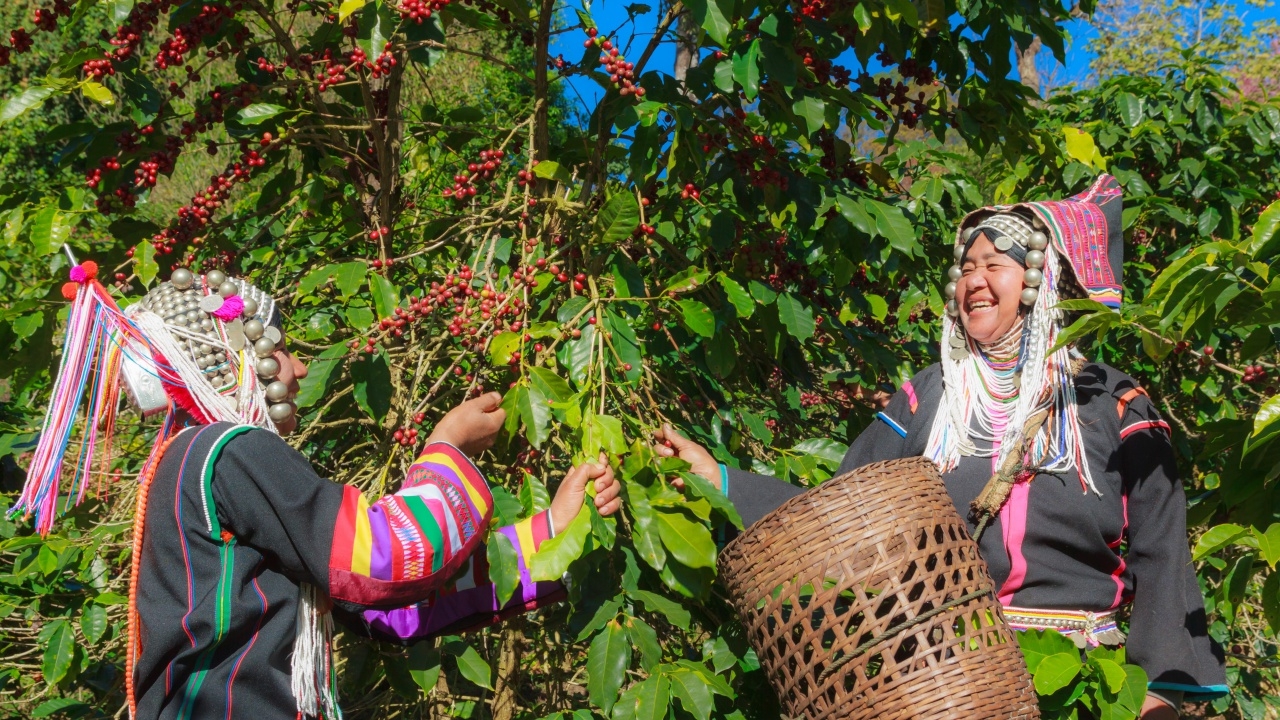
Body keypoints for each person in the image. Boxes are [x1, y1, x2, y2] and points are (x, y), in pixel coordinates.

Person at [656, 175, 1226, 719]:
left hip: (1075, 679)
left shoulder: (1111, 402)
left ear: (1039, 279)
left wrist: (1156, 691)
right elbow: (839, 516)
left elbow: (1161, 548)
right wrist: (722, 480)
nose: (974, 281)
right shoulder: (927, 397)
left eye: (994, 266)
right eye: (966, 268)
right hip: (938, 683)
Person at [14, 263, 621, 719]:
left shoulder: (192, 466)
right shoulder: (226, 453)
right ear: (235, 361)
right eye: (278, 348)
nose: (300, 368)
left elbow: (392, 610)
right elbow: (384, 557)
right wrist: (448, 449)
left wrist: (550, 534)